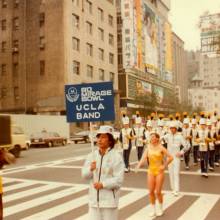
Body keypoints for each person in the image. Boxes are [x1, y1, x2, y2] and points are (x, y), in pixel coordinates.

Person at [82, 125, 124, 220]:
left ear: (110, 141)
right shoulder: (92, 156)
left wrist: (103, 184)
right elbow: (84, 175)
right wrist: (90, 169)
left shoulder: (116, 157)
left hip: (109, 203)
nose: (100, 140)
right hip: (94, 202)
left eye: (103, 137)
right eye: (98, 137)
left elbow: (118, 180)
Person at [136, 133, 173, 217]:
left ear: (157, 139)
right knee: (151, 191)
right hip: (150, 171)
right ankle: (153, 209)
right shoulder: (148, 147)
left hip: (159, 171)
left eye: (153, 137)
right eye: (151, 137)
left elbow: (171, 157)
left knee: (158, 192)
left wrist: (164, 165)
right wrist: (138, 165)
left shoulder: (161, 148)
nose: (151, 139)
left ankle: (160, 208)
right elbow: (143, 158)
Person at [162, 121, 189, 196]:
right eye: (171, 128)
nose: (172, 129)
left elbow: (187, 145)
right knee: (170, 173)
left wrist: (181, 152)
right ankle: (173, 189)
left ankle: (176, 190)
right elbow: (160, 140)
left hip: (176, 157)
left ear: (176, 129)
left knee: (176, 173)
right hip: (169, 157)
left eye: (173, 128)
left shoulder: (180, 136)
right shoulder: (167, 135)